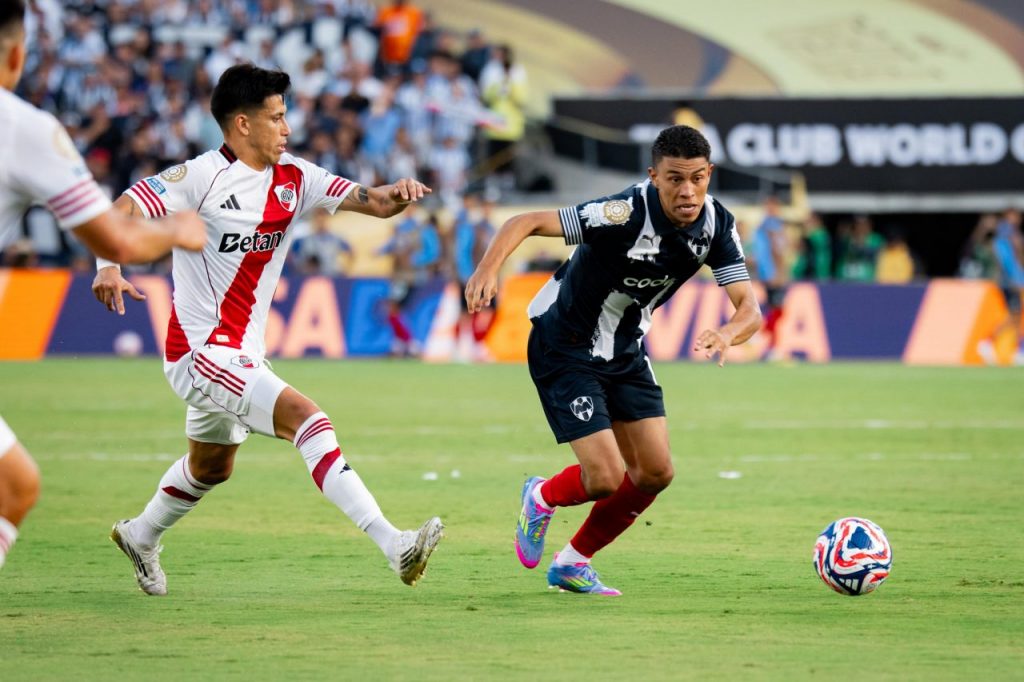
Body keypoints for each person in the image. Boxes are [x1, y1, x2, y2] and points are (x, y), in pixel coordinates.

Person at [91, 64, 442, 596]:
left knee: (211, 467)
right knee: (307, 419)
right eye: (276, 118)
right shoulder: (199, 178)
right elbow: (120, 210)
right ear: (242, 124)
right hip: (201, 352)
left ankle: (140, 535)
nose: (287, 127)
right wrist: (108, 266)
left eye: (285, 116)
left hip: (243, 352)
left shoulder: (296, 177)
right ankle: (395, 544)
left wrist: (399, 193)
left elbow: (374, 202)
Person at [464, 125, 761, 595]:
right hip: (565, 345)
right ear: (654, 177)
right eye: (675, 179)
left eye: (698, 178)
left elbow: (750, 310)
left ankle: (573, 562)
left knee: (656, 472)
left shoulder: (716, 225)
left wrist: (727, 333)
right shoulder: (622, 213)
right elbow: (524, 221)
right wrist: (487, 269)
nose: (688, 191)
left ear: (710, 173)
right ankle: (540, 496)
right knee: (604, 477)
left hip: (625, 350)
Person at [0, 0, 205, 572]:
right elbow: (117, 237)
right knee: (14, 487)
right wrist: (178, 229)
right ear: (17, 55)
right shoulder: (23, 128)